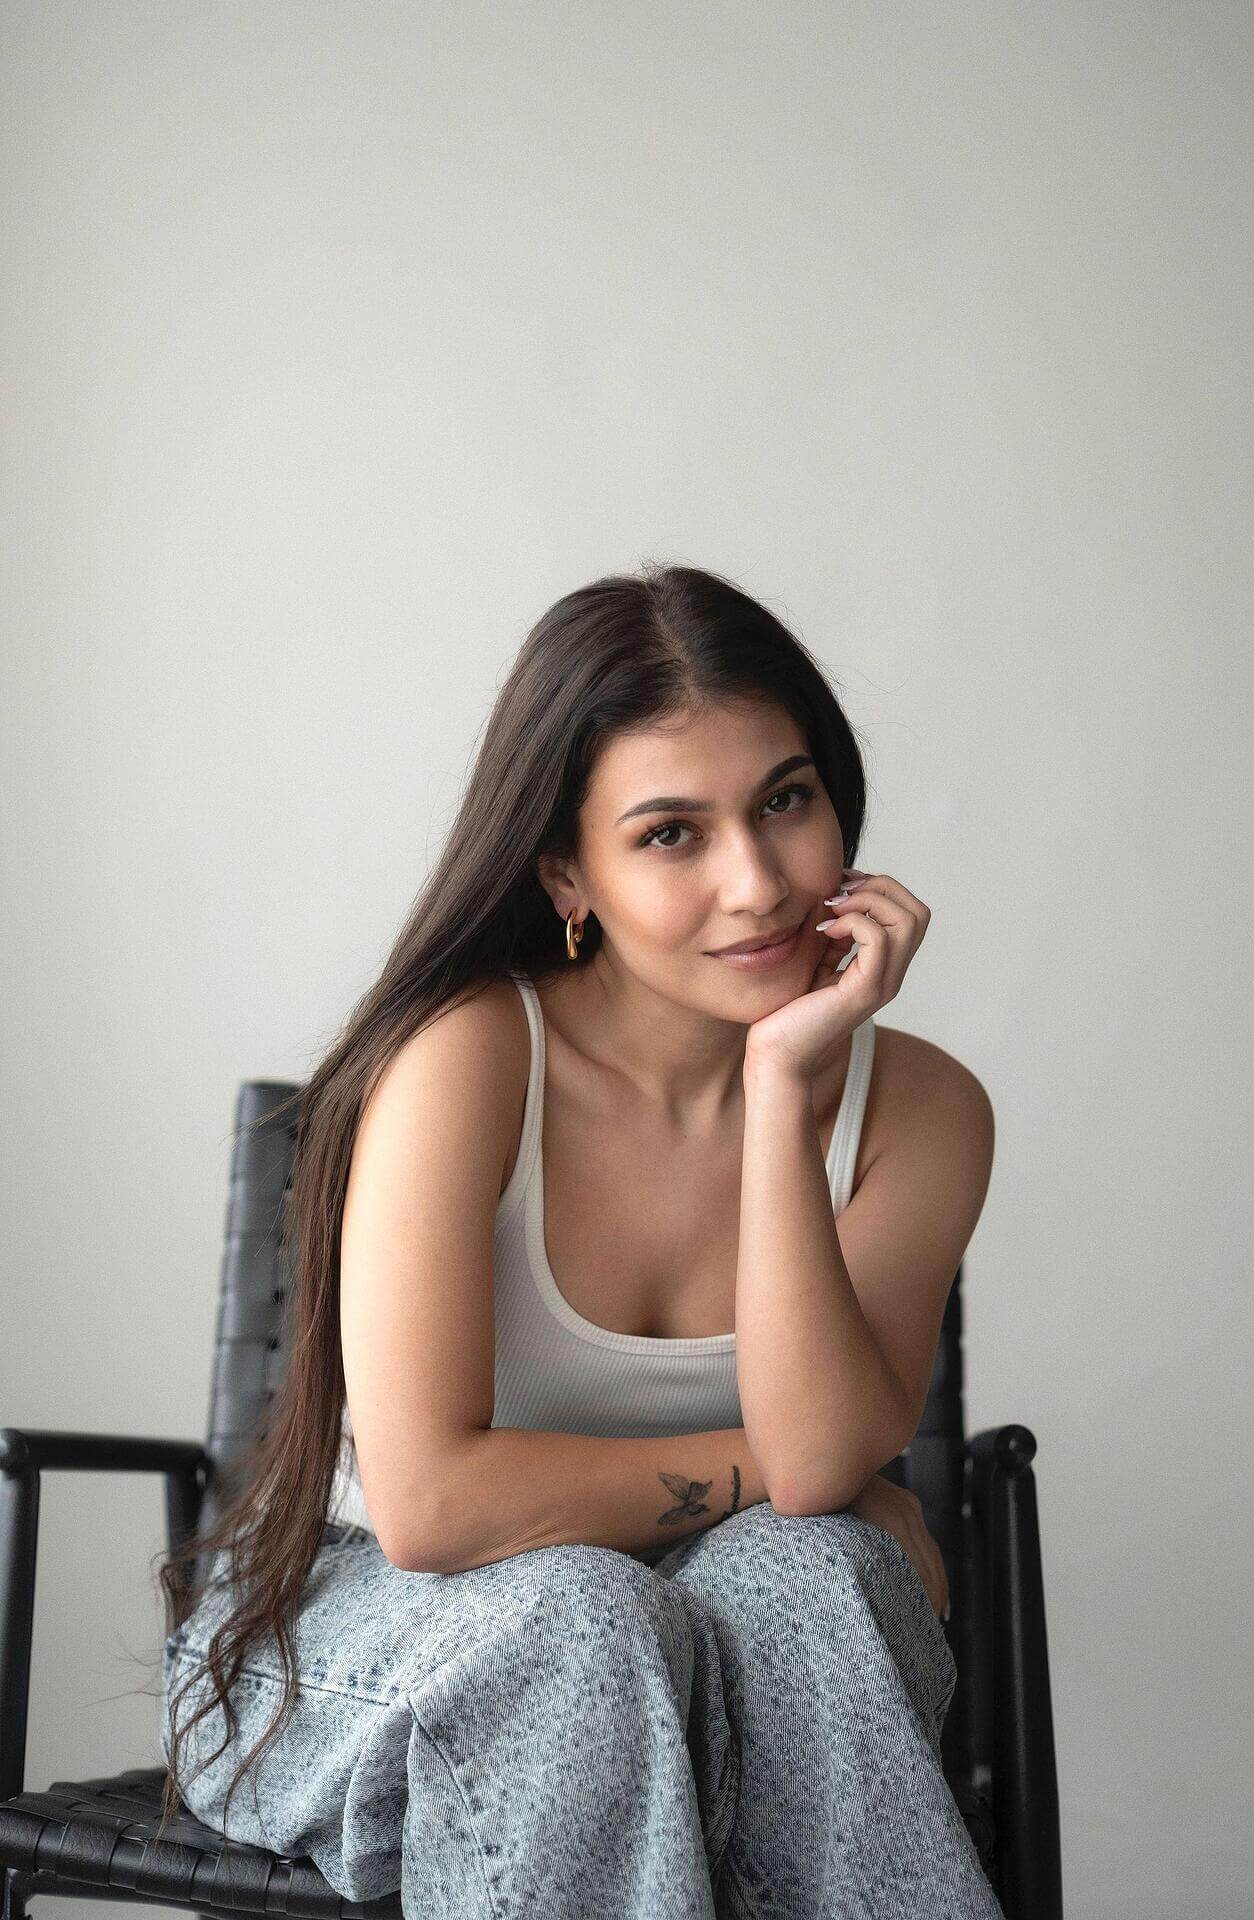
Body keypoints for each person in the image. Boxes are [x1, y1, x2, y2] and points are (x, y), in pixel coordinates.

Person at [156, 561, 1003, 1918]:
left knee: (815, 1572)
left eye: (786, 801)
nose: (759, 882)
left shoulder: (925, 1109)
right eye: (672, 833)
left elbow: (824, 1468)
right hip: (360, 1635)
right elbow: (431, 1508)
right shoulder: (474, 1057)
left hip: (708, 1643)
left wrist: (783, 1095)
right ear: (568, 870)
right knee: (585, 1620)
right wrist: (789, 1469)